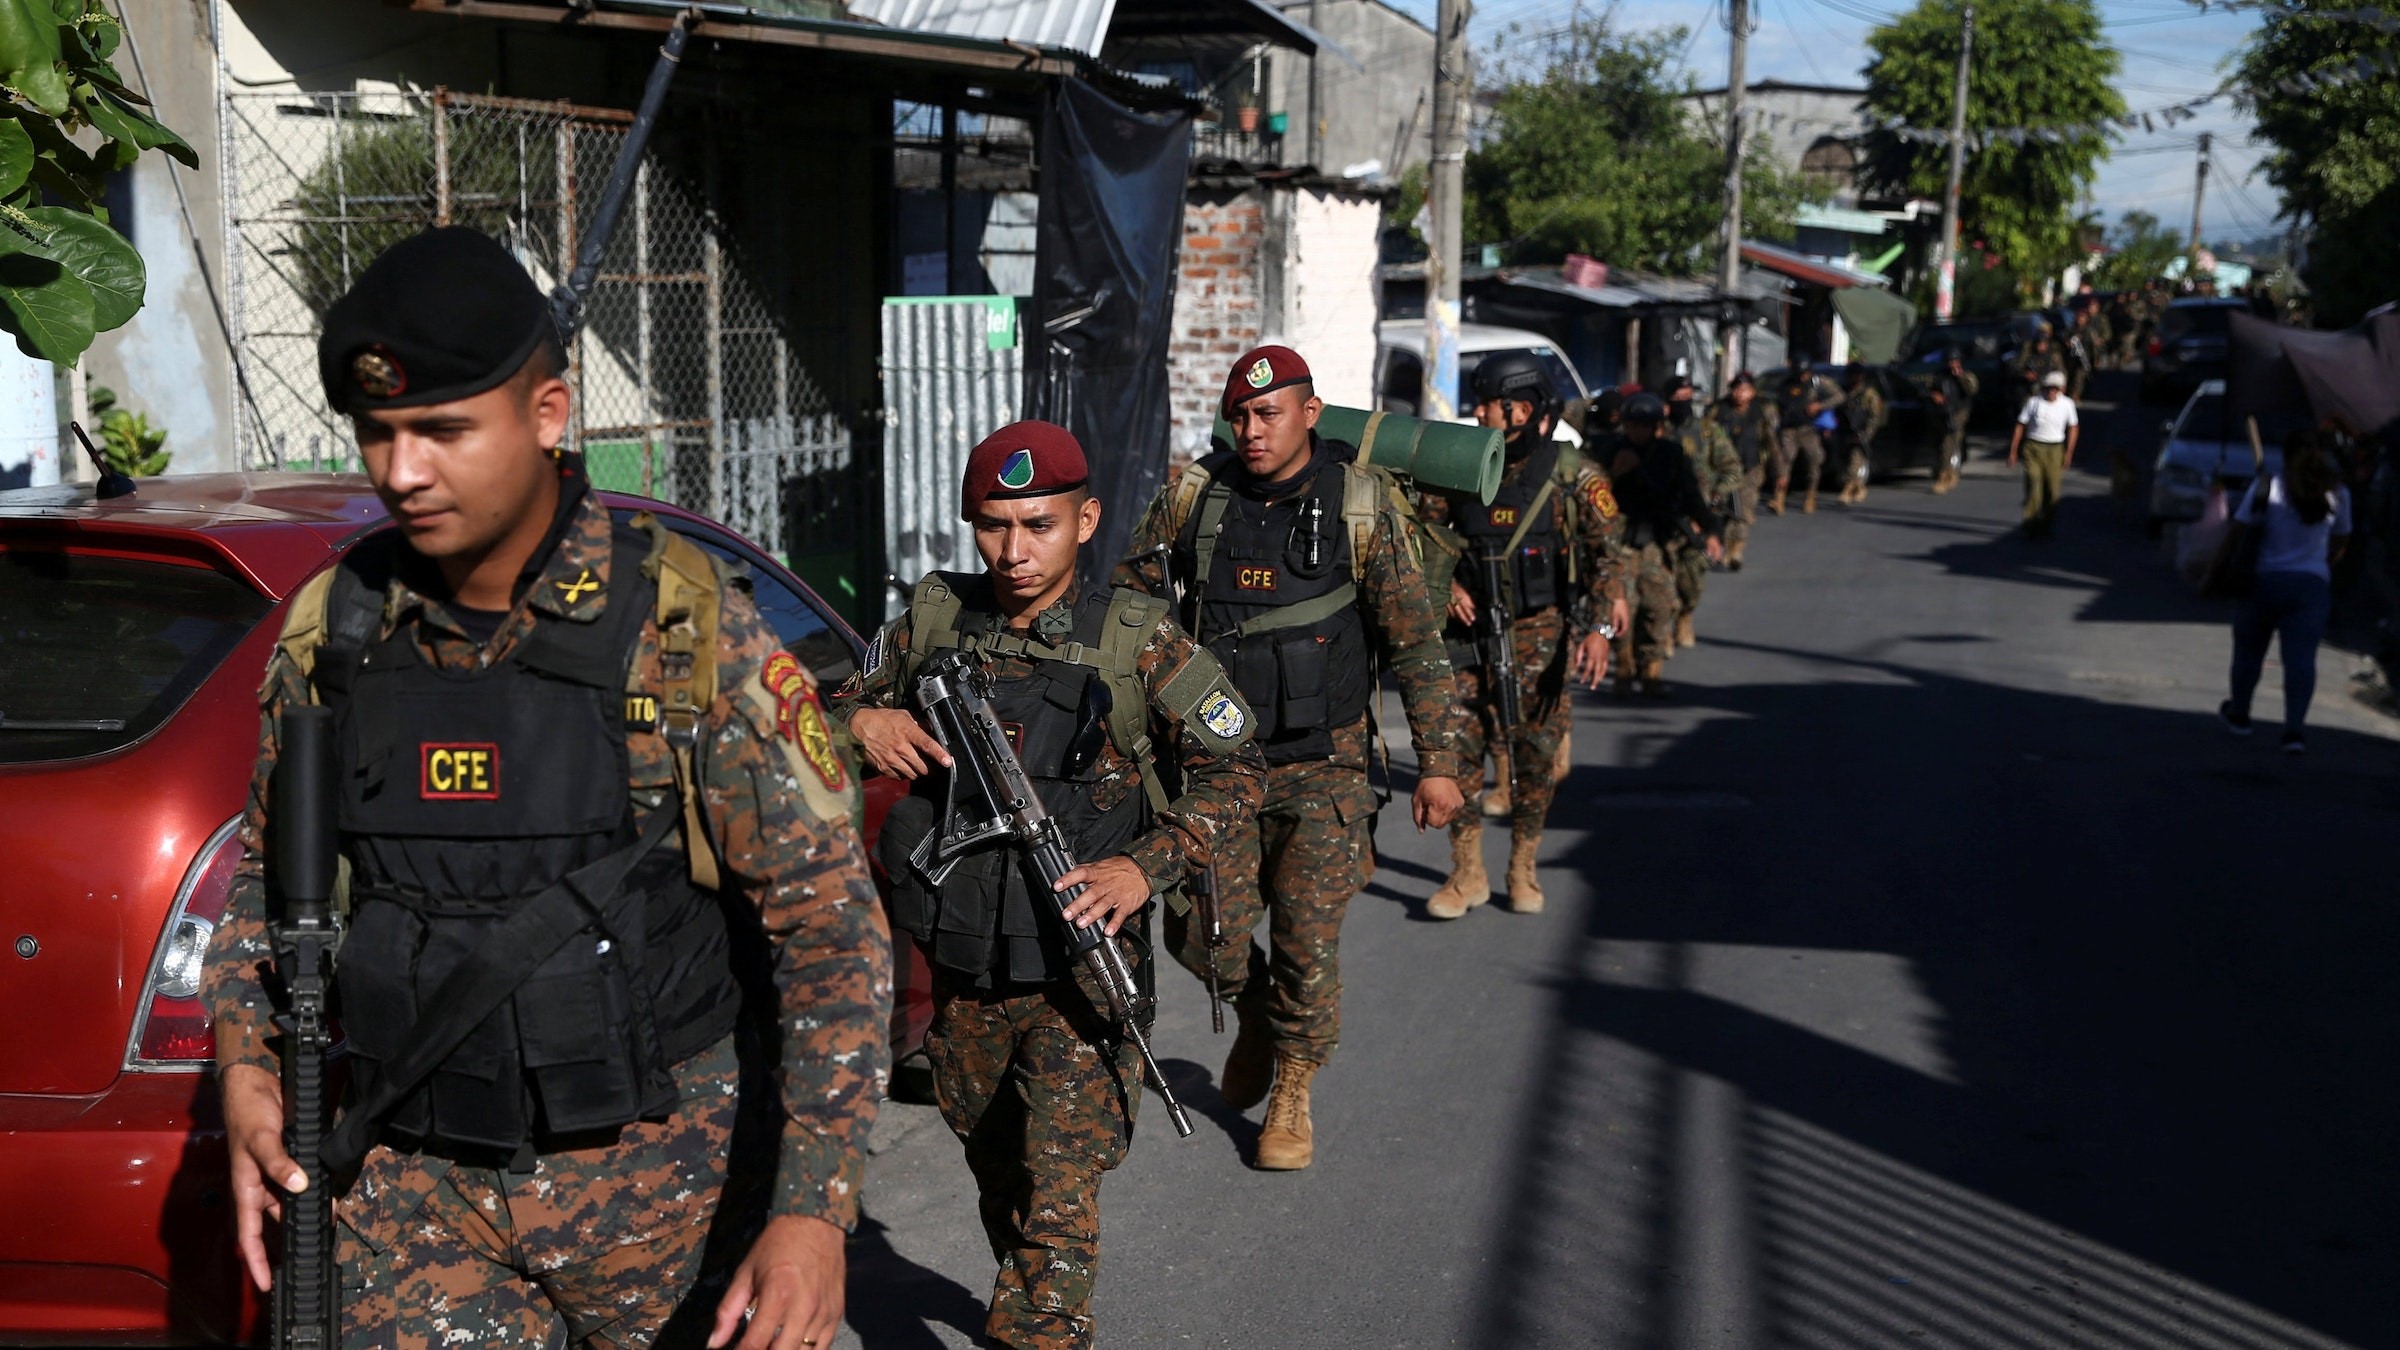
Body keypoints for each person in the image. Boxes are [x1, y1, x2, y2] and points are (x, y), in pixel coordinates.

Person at [200, 227, 893, 1350]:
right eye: (377, 432)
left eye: (443, 431)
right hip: (410, 1198)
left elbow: (828, 928)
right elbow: (267, 885)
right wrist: (244, 1066)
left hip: (668, 1197)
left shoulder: (683, 632)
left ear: (549, 414)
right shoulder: (338, 631)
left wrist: (814, 1211)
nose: (401, 472)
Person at [837, 420, 1264, 1345]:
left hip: (1081, 966)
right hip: (966, 961)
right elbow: (817, 714)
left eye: (1039, 525)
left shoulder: (1136, 639)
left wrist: (1145, 865)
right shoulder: (935, 620)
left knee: (1059, 1192)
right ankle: (1028, 1296)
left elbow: (1237, 770)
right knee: (1000, 1171)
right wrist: (861, 722)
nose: (1015, 551)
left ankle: (1043, 1324)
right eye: (994, 526)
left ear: (1087, 521)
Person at [1114, 345, 1463, 1169]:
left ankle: (1294, 1089)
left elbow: (1415, 644)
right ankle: (1256, 1014)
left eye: (1269, 413)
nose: (1252, 429)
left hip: (1325, 767)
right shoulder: (1193, 498)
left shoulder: (1361, 507)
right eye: (1240, 415)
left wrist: (1441, 761)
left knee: (1308, 941)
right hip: (1214, 769)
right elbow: (1129, 617)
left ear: (1310, 414)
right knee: (1203, 936)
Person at [1414, 353, 1627, 916]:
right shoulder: (1460, 465)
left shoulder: (1572, 475)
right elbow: (1421, 534)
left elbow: (1608, 556)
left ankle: (1522, 866)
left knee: (1535, 758)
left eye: (1490, 403)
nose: (1479, 413)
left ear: (1523, 410)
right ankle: (1467, 873)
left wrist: (1599, 630)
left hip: (1541, 635)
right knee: (1457, 752)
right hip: (1466, 635)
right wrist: (1446, 586)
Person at [2216, 428, 2354, 754]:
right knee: (2301, 660)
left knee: (2249, 651)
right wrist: (2320, 565)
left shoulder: (2269, 487)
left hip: (2262, 582)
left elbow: (2236, 533)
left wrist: (2213, 573)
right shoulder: (2337, 493)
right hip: (2310, 586)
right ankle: (2294, 730)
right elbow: (2341, 540)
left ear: (2286, 455)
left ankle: (2240, 714)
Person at [1606, 393, 1720, 697]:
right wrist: (1614, 473)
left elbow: (1691, 496)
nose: (1638, 432)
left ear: (1657, 427)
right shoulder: (1610, 450)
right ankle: (1624, 667)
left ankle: (1652, 671)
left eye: (1644, 426)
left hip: (1657, 542)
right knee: (1621, 609)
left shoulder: (1671, 455)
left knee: (1659, 606)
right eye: (1632, 425)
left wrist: (1711, 530)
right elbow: (1591, 495)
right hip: (1619, 543)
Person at [1665, 373, 1742, 646]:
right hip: (1664, 516)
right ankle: (1661, 633)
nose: (1683, 403)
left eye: (1688, 398)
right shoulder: (1656, 431)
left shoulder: (1708, 431)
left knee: (1692, 581)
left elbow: (1732, 468)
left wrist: (1715, 497)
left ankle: (1685, 615)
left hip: (1700, 515)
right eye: (1678, 398)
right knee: (1660, 580)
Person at [1706, 371, 1776, 569]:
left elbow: (1771, 442)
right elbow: (1705, 436)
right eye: (1736, 389)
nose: (1740, 394)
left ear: (1752, 392)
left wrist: (1780, 473)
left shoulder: (1762, 411)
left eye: (1745, 390)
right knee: (1724, 510)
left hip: (1751, 469)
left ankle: (1736, 551)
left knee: (1743, 510)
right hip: (1723, 470)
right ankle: (1725, 546)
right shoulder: (1718, 410)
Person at [2007, 370, 2079, 539]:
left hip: (2055, 449)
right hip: (2034, 447)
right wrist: (2013, 451)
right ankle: (2030, 524)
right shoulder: (2034, 402)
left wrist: (2069, 453)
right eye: (2048, 388)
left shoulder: (2067, 404)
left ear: (2061, 389)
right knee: (2034, 483)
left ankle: (2046, 524)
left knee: (2052, 491)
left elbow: (2073, 428)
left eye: (2055, 388)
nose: (2051, 392)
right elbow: (2020, 425)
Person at [1771, 366, 1844, 515]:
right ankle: (1779, 497)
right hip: (1788, 429)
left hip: (1808, 429)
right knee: (1785, 461)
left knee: (1814, 461)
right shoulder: (1785, 384)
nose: (1803, 377)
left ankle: (1810, 496)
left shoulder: (1817, 382)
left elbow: (1839, 396)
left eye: (1806, 373)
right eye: (1800, 374)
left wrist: (1820, 406)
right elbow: (1775, 405)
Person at [1927, 348, 1980, 494]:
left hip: (1959, 412)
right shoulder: (1939, 376)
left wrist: (1961, 376)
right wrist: (1934, 396)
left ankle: (1944, 477)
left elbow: (1972, 390)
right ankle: (1949, 472)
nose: (1953, 365)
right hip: (1942, 413)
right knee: (1942, 444)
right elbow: (1929, 389)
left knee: (1948, 441)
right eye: (1950, 362)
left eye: (1956, 362)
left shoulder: (1967, 376)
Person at [1834, 363, 1884, 506]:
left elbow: (1875, 417)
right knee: (1842, 462)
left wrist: (1866, 435)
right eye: (1850, 375)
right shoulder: (1844, 391)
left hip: (1860, 433)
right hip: (1844, 432)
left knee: (1854, 461)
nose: (1852, 378)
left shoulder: (1869, 394)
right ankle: (1860, 487)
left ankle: (1847, 491)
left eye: (1855, 375)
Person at [2007, 329, 2065, 407]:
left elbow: (2061, 372)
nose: (2042, 346)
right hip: (2029, 388)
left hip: (2048, 387)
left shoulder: (2053, 357)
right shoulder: (2027, 355)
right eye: (2040, 344)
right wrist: (2025, 374)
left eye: (2044, 344)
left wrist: (2060, 384)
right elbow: (2015, 369)